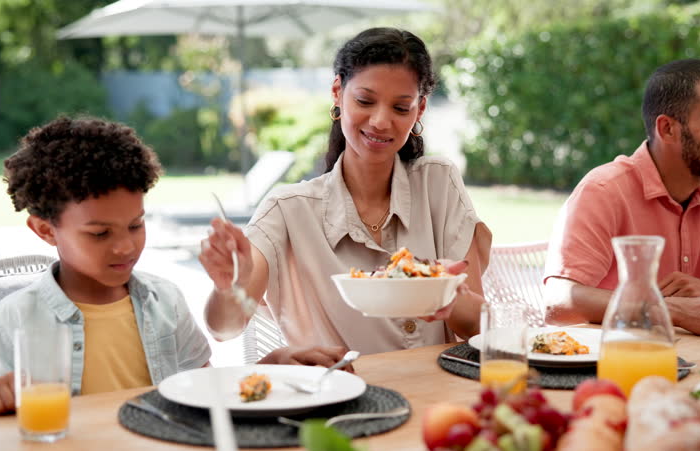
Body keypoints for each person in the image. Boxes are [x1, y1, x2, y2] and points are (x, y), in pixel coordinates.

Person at [0, 116, 336, 415]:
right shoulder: (12, 321)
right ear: (45, 230)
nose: (126, 245)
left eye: (136, 225)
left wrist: (273, 366)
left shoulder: (165, 302)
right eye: (99, 234)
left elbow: (205, 396)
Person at [200, 27, 492, 356]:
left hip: (435, 396)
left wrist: (443, 292)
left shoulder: (439, 183)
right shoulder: (287, 211)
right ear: (337, 92)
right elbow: (224, 329)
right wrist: (228, 288)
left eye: (401, 108)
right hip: (341, 397)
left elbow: (481, 327)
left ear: (420, 109)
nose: (381, 121)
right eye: (365, 101)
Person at [544, 59, 700, 337]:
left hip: (693, 362)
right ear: (668, 128)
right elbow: (558, 302)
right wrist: (674, 310)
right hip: (612, 364)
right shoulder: (604, 190)